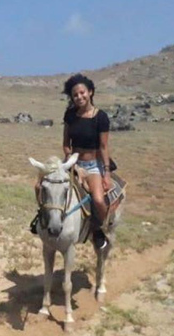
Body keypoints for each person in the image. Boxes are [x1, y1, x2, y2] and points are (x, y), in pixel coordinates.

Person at [60, 73, 112, 249]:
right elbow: (66, 145)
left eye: (82, 92)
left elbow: (104, 147)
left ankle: (99, 229)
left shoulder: (101, 117)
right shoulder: (70, 115)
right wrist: (74, 167)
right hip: (72, 162)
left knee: (98, 200)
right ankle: (43, 221)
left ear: (90, 92)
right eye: (75, 95)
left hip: (93, 165)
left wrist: (106, 174)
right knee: (45, 186)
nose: (79, 97)